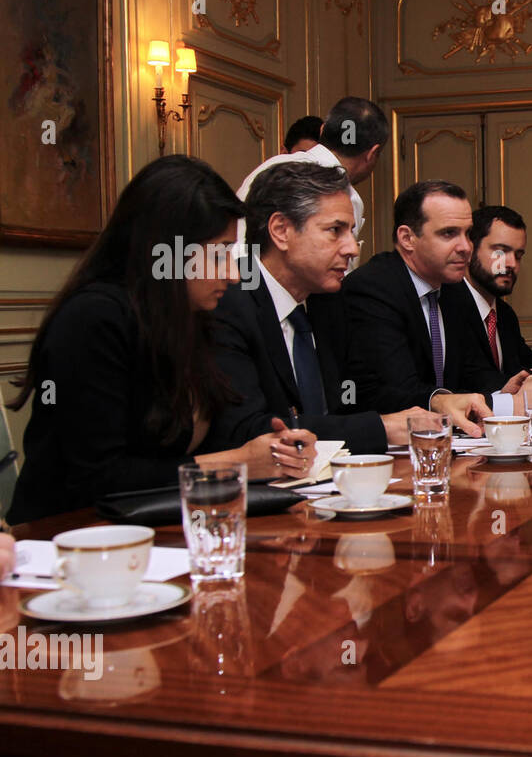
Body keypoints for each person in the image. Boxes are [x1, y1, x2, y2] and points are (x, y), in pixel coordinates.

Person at [6, 156, 316, 525]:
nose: (234, 274)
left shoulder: (191, 317)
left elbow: (217, 433)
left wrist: (277, 445)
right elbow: (99, 480)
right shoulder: (93, 319)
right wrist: (240, 462)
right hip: (67, 542)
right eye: (219, 255)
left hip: (163, 533)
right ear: (167, 252)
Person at [209, 162, 489, 452]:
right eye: (335, 230)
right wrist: (379, 428)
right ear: (281, 231)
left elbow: (360, 395)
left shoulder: (328, 301)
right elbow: (249, 429)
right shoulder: (226, 300)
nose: (353, 249)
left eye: (351, 231)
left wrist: (439, 400)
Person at [343, 181, 532, 416]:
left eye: (467, 234)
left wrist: (502, 393)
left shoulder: (452, 291)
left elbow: (468, 374)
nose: (466, 247)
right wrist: (508, 404)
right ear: (407, 238)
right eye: (449, 233)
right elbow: (400, 392)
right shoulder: (375, 288)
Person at [440, 205, 532, 391]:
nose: (511, 264)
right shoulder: (445, 304)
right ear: (470, 248)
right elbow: (473, 380)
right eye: (500, 252)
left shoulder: (504, 313)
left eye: (518, 255)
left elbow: (529, 362)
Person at [237, 96, 389, 249]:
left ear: (322, 130)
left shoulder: (271, 165)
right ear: (372, 153)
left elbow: (240, 246)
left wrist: (248, 274)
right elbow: (336, 270)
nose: (352, 250)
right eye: (335, 230)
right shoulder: (343, 195)